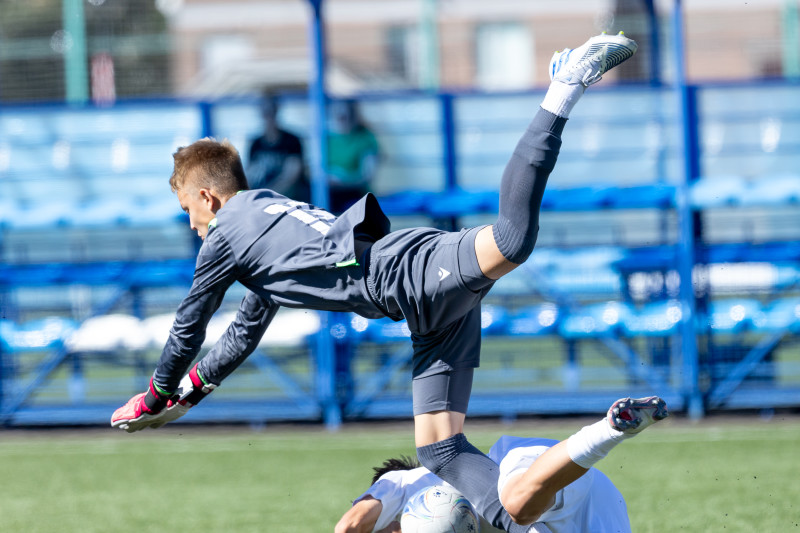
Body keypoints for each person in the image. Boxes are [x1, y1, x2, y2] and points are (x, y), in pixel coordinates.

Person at [111, 32, 650, 532]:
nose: (191, 224)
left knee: (511, 240)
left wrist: (153, 397)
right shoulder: (263, 222)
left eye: (187, 209)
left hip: (405, 271)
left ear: (207, 198)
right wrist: (188, 394)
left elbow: (189, 324)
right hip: (420, 309)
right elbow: (243, 331)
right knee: (440, 451)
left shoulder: (226, 232)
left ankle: (563, 87)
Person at [336, 400, 659, 533]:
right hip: (590, 503)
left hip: (530, 469)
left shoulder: (404, 483)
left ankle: (612, 427)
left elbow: (349, 526)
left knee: (516, 505)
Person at [246, 93, 310, 202]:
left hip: (288, 199)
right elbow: (250, 175)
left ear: (276, 111)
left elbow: (290, 177)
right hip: (261, 199)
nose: (268, 116)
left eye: (271, 110)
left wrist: (267, 196)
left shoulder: (292, 140)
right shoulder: (256, 144)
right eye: (265, 111)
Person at [327, 98, 380, 213]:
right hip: (328, 195)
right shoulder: (324, 138)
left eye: (345, 117)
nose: (341, 121)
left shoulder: (365, 137)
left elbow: (367, 175)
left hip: (355, 196)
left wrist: (343, 180)